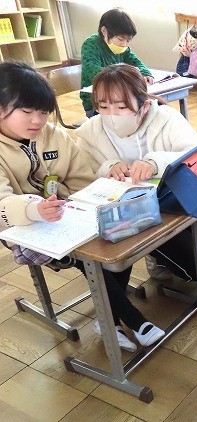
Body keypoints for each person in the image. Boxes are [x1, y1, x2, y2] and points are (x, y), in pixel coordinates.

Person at [0, 61, 164, 352]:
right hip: (22, 227)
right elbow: (3, 205)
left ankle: (108, 320)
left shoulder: (55, 136)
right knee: (88, 257)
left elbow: (82, 181)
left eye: (43, 112)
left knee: (117, 232)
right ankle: (133, 319)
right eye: (26, 111)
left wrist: (87, 204)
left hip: (69, 215)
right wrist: (33, 210)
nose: (37, 120)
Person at [75, 63, 197, 283]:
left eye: (121, 107)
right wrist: (109, 167)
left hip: (180, 201)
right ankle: (155, 254)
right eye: (103, 106)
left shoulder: (166, 119)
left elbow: (195, 154)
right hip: (137, 217)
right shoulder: (91, 132)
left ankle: (174, 244)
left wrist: (156, 162)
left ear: (144, 106)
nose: (111, 116)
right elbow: (84, 177)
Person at [80, 8, 153, 118]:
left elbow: (136, 61)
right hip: (96, 101)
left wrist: (145, 73)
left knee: (149, 109)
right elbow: (92, 70)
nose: (124, 44)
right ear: (104, 31)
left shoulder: (123, 48)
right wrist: (124, 78)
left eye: (128, 40)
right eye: (120, 39)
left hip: (121, 98)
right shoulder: (91, 45)